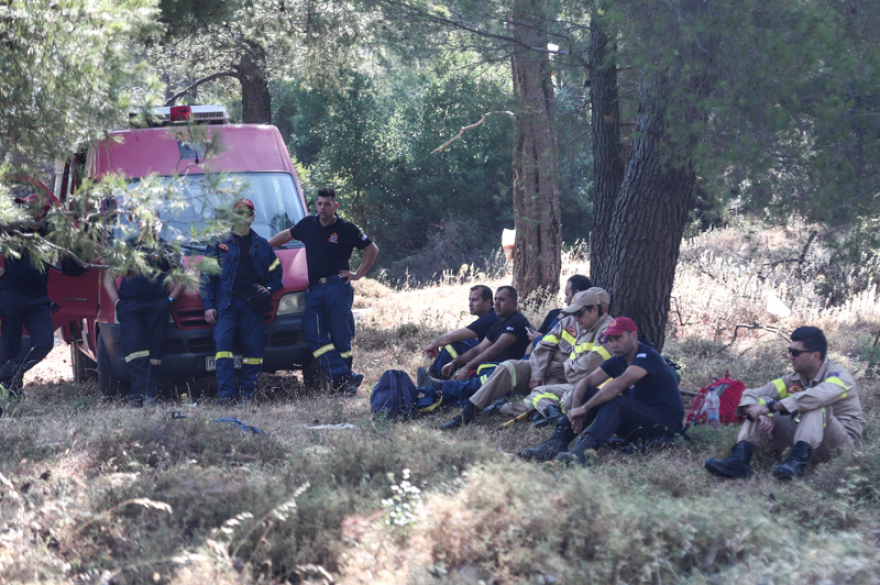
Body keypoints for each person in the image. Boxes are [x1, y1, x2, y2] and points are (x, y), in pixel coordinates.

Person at [440, 288, 615, 430]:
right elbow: (542, 346)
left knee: (540, 396)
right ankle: (469, 412)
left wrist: (551, 368)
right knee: (508, 367)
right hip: (542, 376)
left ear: (597, 309)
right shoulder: (569, 322)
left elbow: (584, 369)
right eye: (574, 313)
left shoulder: (607, 332)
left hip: (572, 384)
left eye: (579, 313)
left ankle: (502, 408)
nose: (575, 318)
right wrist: (537, 373)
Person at [705, 327, 864, 480]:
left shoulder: (839, 375)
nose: (790, 356)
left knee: (813, 404)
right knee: (762, 401)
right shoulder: (794, 379)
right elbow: (753, 393)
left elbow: (817, 396)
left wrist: (771, 408)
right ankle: (739, 460)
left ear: (815, 356)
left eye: (795, 352)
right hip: (805, 439)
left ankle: (796, 464)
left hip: (840, 445)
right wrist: (757, 412)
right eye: (789, 351)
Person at [520, 317, 684, 464]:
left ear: (633, 335)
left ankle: (583, 451)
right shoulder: (617, 360)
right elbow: (585, 381)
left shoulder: (647, 356)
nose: (613, 344)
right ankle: (555, 444)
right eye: (610, 339)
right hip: (638, 421)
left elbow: (619, 384)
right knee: (590, 392)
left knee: (618, 402)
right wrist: (577, 409)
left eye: (618, 338)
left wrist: (585, 408)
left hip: (665, 424)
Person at [268, 187, 378, 395]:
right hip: (315, 289)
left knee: (340, 337)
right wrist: (265, 246)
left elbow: (372, 249)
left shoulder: (346, 228)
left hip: (337, 287)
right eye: (319, 203)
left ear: (335, 206)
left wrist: (357, 274)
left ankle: (341, 387)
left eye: (327, 204)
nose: (322, 207)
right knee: (313, 335)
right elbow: (287, 235)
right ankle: (345, 378)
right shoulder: (308, 224)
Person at [200, 198, 283, 405]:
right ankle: (226, 394)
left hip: (252, 304)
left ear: (252, 217)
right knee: (223, 346)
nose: (243, 216)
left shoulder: (262, 245)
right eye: (239, 212)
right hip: (226, 304)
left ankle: (247, 394)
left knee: (253, 350)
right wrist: (208, 305)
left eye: (247, 213)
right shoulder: (219, 243)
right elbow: (206, 277)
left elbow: (277, 274)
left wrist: (270, 288)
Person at [102, 219, 183, 407]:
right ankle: (145, 395)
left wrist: (168, 301)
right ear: (138, 223)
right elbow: (108, 278)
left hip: (157, 306)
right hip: (130, 306)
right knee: (135, 350)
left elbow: (181, 280)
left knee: (154, 353)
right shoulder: (126, 247)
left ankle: (141, 396)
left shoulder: (166, 248)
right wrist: (117, 302)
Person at [436, 285, 533, 429]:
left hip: (508, 377)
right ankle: (434, 396)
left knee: (476, 385)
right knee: (467, 393)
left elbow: (495, 350)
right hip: (493, 371)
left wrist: (468, 366)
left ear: (514, 304)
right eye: (496, 300)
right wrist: (455, 364)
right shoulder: (499, 323)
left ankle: (438, 387)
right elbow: (479, 349)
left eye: (502, 300)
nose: (497, 304)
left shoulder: (516, 322)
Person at [0, 194, 57, 400]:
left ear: (41, 212)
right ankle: (12, 387)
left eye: (30, 206)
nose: (25, 209)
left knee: (45, 342)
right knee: (10, 347)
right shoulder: (12, 228)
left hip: (37, 300)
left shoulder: (52, 234)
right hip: (10, 296)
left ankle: (9, 375)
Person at [419, 284, 498, 381]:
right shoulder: (491, 316)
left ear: (487, 303)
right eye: (470, 300)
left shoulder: (489, 319)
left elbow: (450, 337)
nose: (470, 304)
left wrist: (434, 345)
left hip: (493, 362)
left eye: (475, 300)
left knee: (453, 345)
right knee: (457, 343)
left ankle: (434, 377)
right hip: (489, 356)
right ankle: (441, 375)